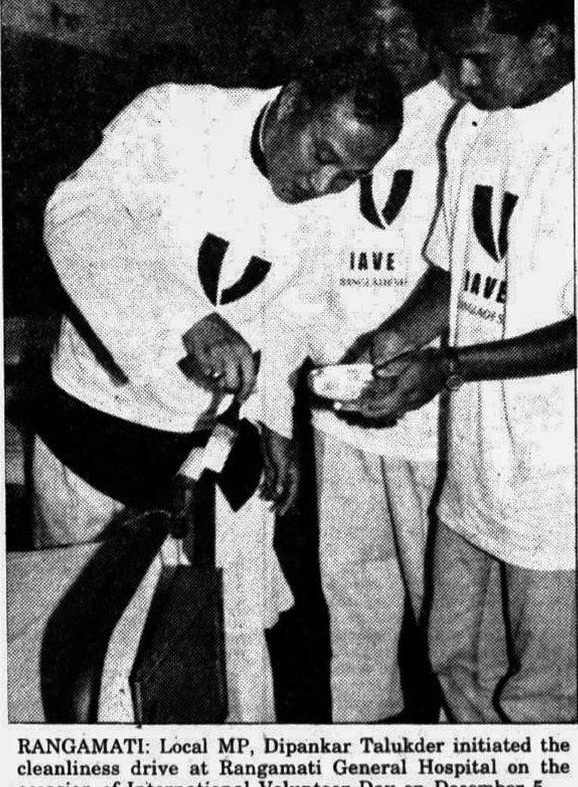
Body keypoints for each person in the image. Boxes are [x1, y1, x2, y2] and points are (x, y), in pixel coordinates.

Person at [35, 48, 403, 721]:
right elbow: (76, 218)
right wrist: (188, 320)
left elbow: (288, 318)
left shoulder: (331, 206)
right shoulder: (175, 118)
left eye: (350, 175)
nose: (324, 184)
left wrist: (276, 421)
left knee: (200, 651)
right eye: (321, 155)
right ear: (290, 102)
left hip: (203, 445)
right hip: (96, 426)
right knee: (77, 646)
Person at [337, 0, 575, 722]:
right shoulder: (472, 127)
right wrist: (398, 337)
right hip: (472, 469)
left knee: (541, 700)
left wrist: (453, 367)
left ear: (548, 39)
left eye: (479, 58)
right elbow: (454, 267)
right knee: (453, 665)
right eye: (453, 57)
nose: (461, 80)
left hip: (556, 488)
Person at [308, 0, 458, 721]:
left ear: (431, 34)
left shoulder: (463, 122)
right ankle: (360, 739)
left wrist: (405, 349)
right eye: (371, 28)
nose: (385, 44)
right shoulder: (337, 118)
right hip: (338, 404)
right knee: (353, 594)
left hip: (425, 413)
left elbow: (461, 270)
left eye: (401, 27)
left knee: (446, 612)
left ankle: (461, 752)